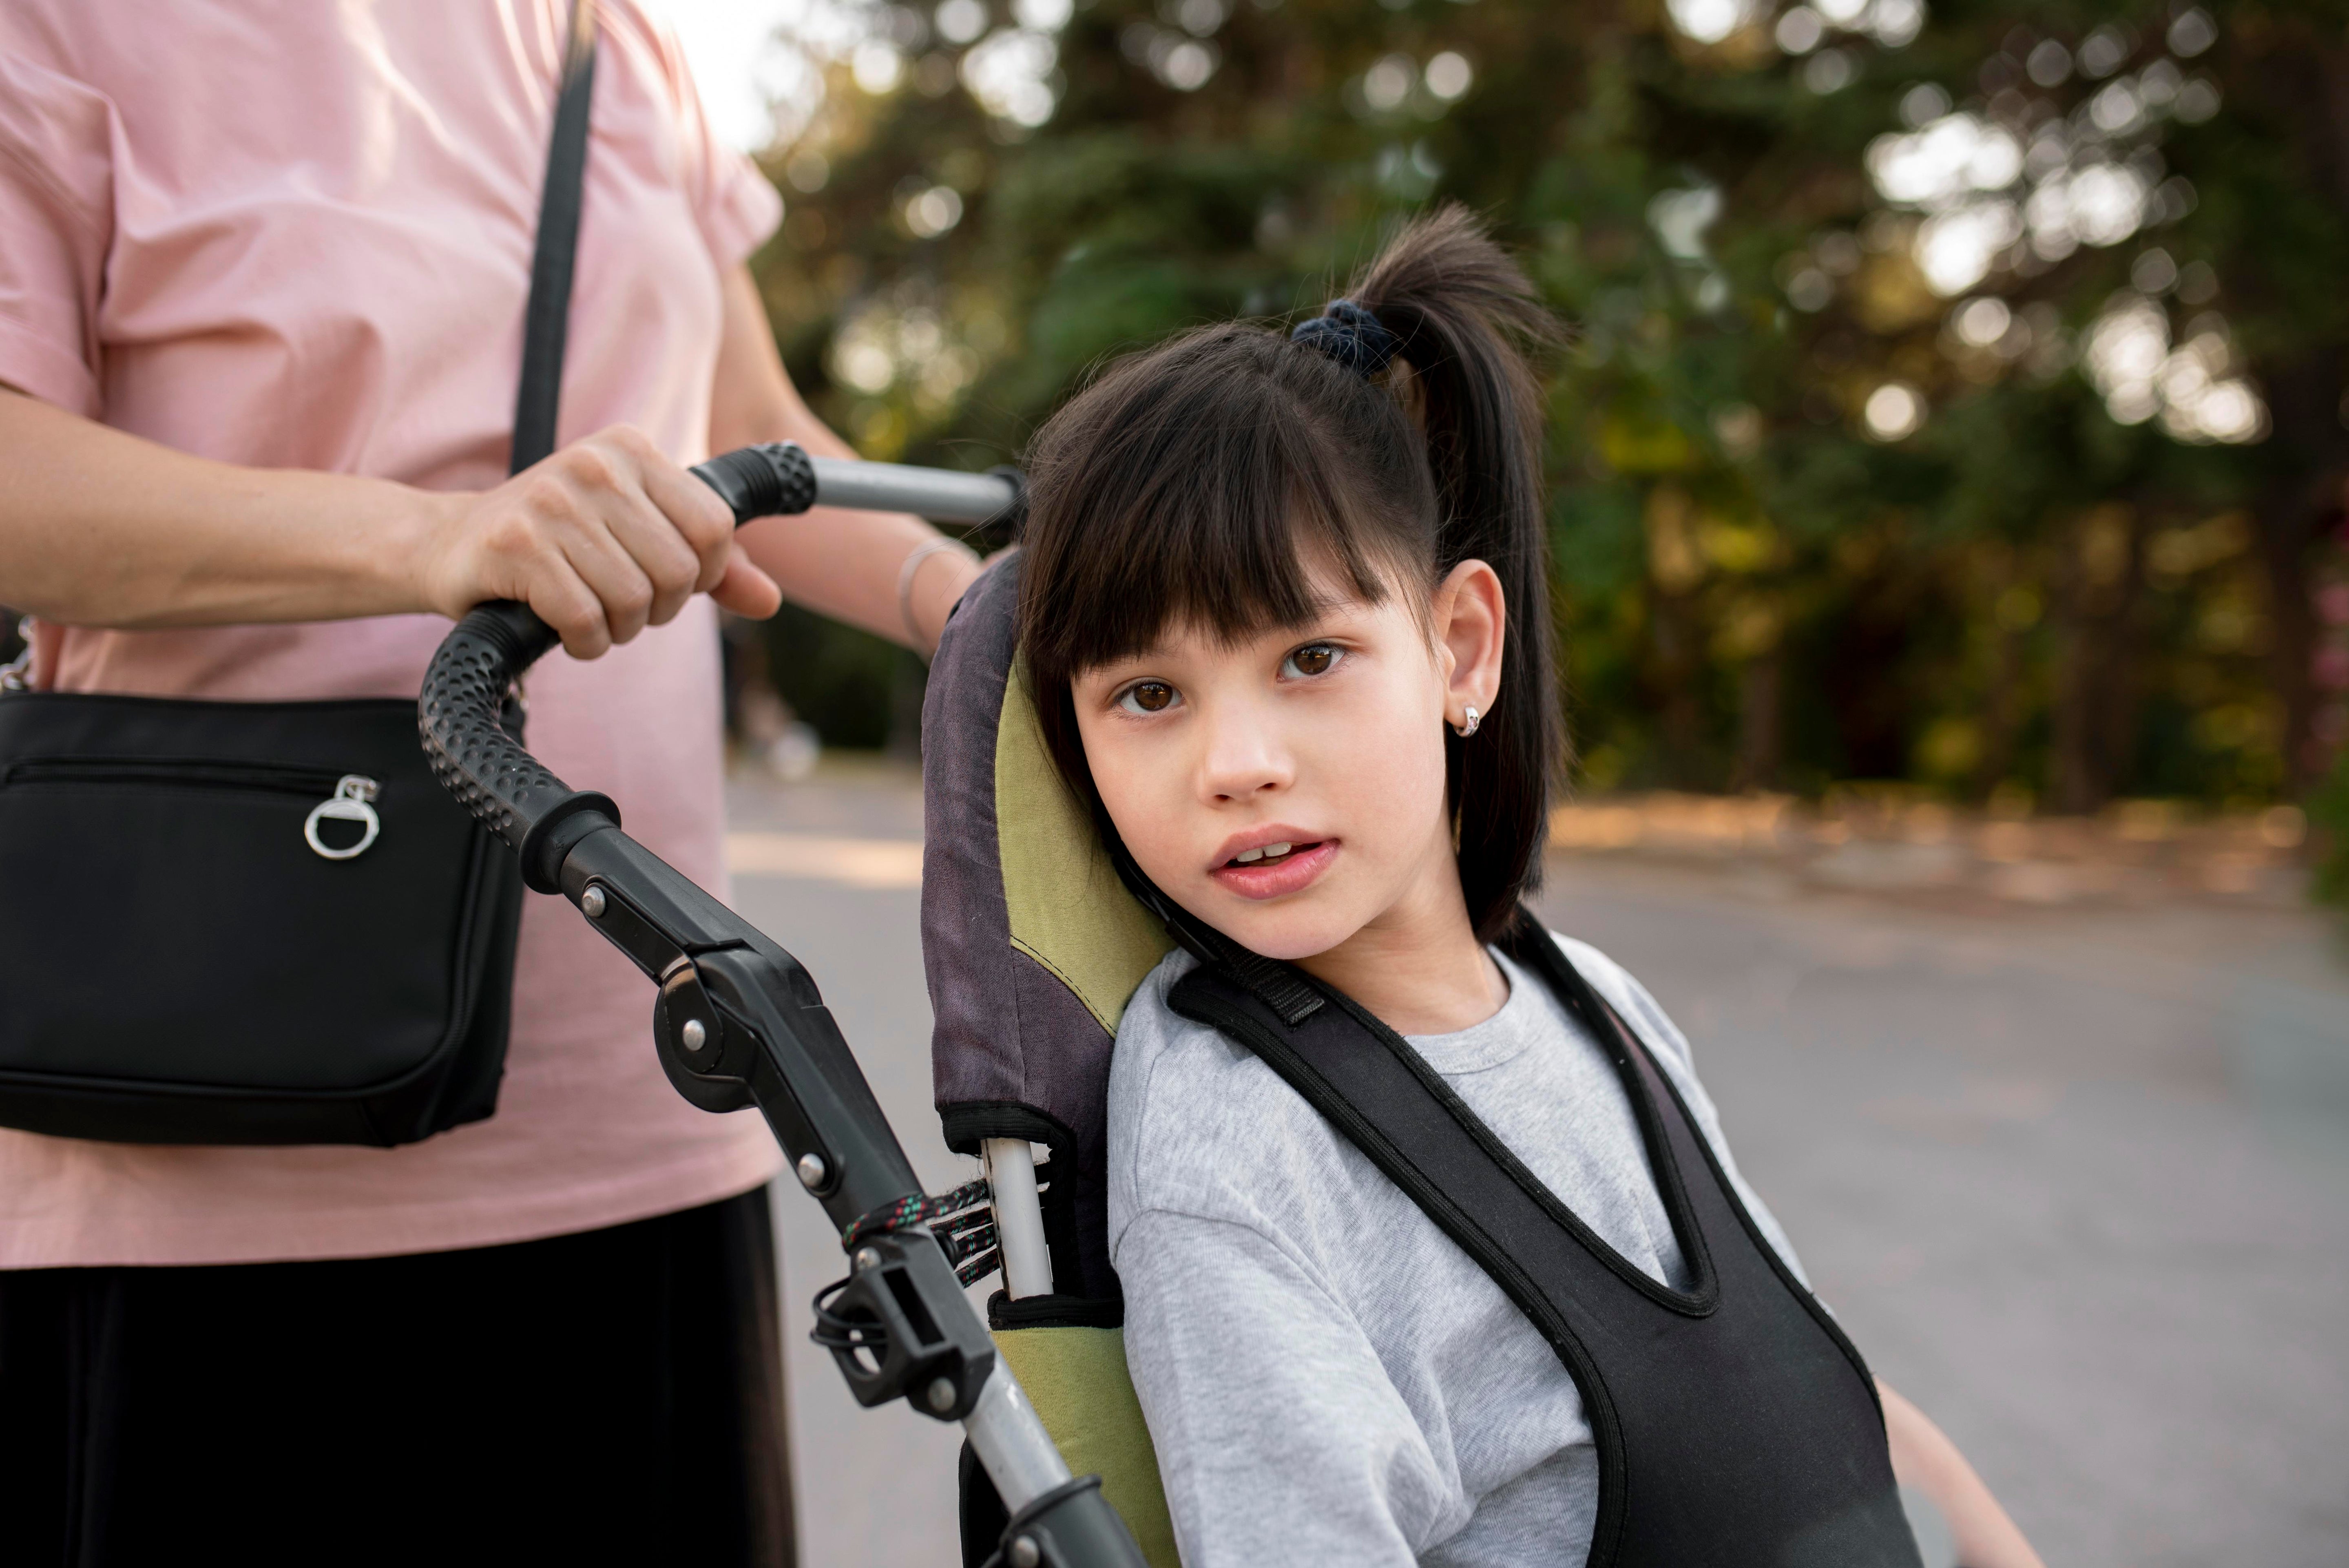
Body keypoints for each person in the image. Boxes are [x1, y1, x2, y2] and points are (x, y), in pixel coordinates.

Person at [0, 4, 979, 1561]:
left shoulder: (607, 35)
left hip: (650, 1113)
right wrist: (431, 538)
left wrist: (989, 610)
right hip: (213, 1145)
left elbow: (750, 446)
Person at [1011, 208, 2046, 1567]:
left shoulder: (1597, 1004)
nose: (1238, 765)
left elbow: (1802, 1382)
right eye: (1148, 695)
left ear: (1460, 650)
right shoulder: (1234, 1146)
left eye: (1310, 660)